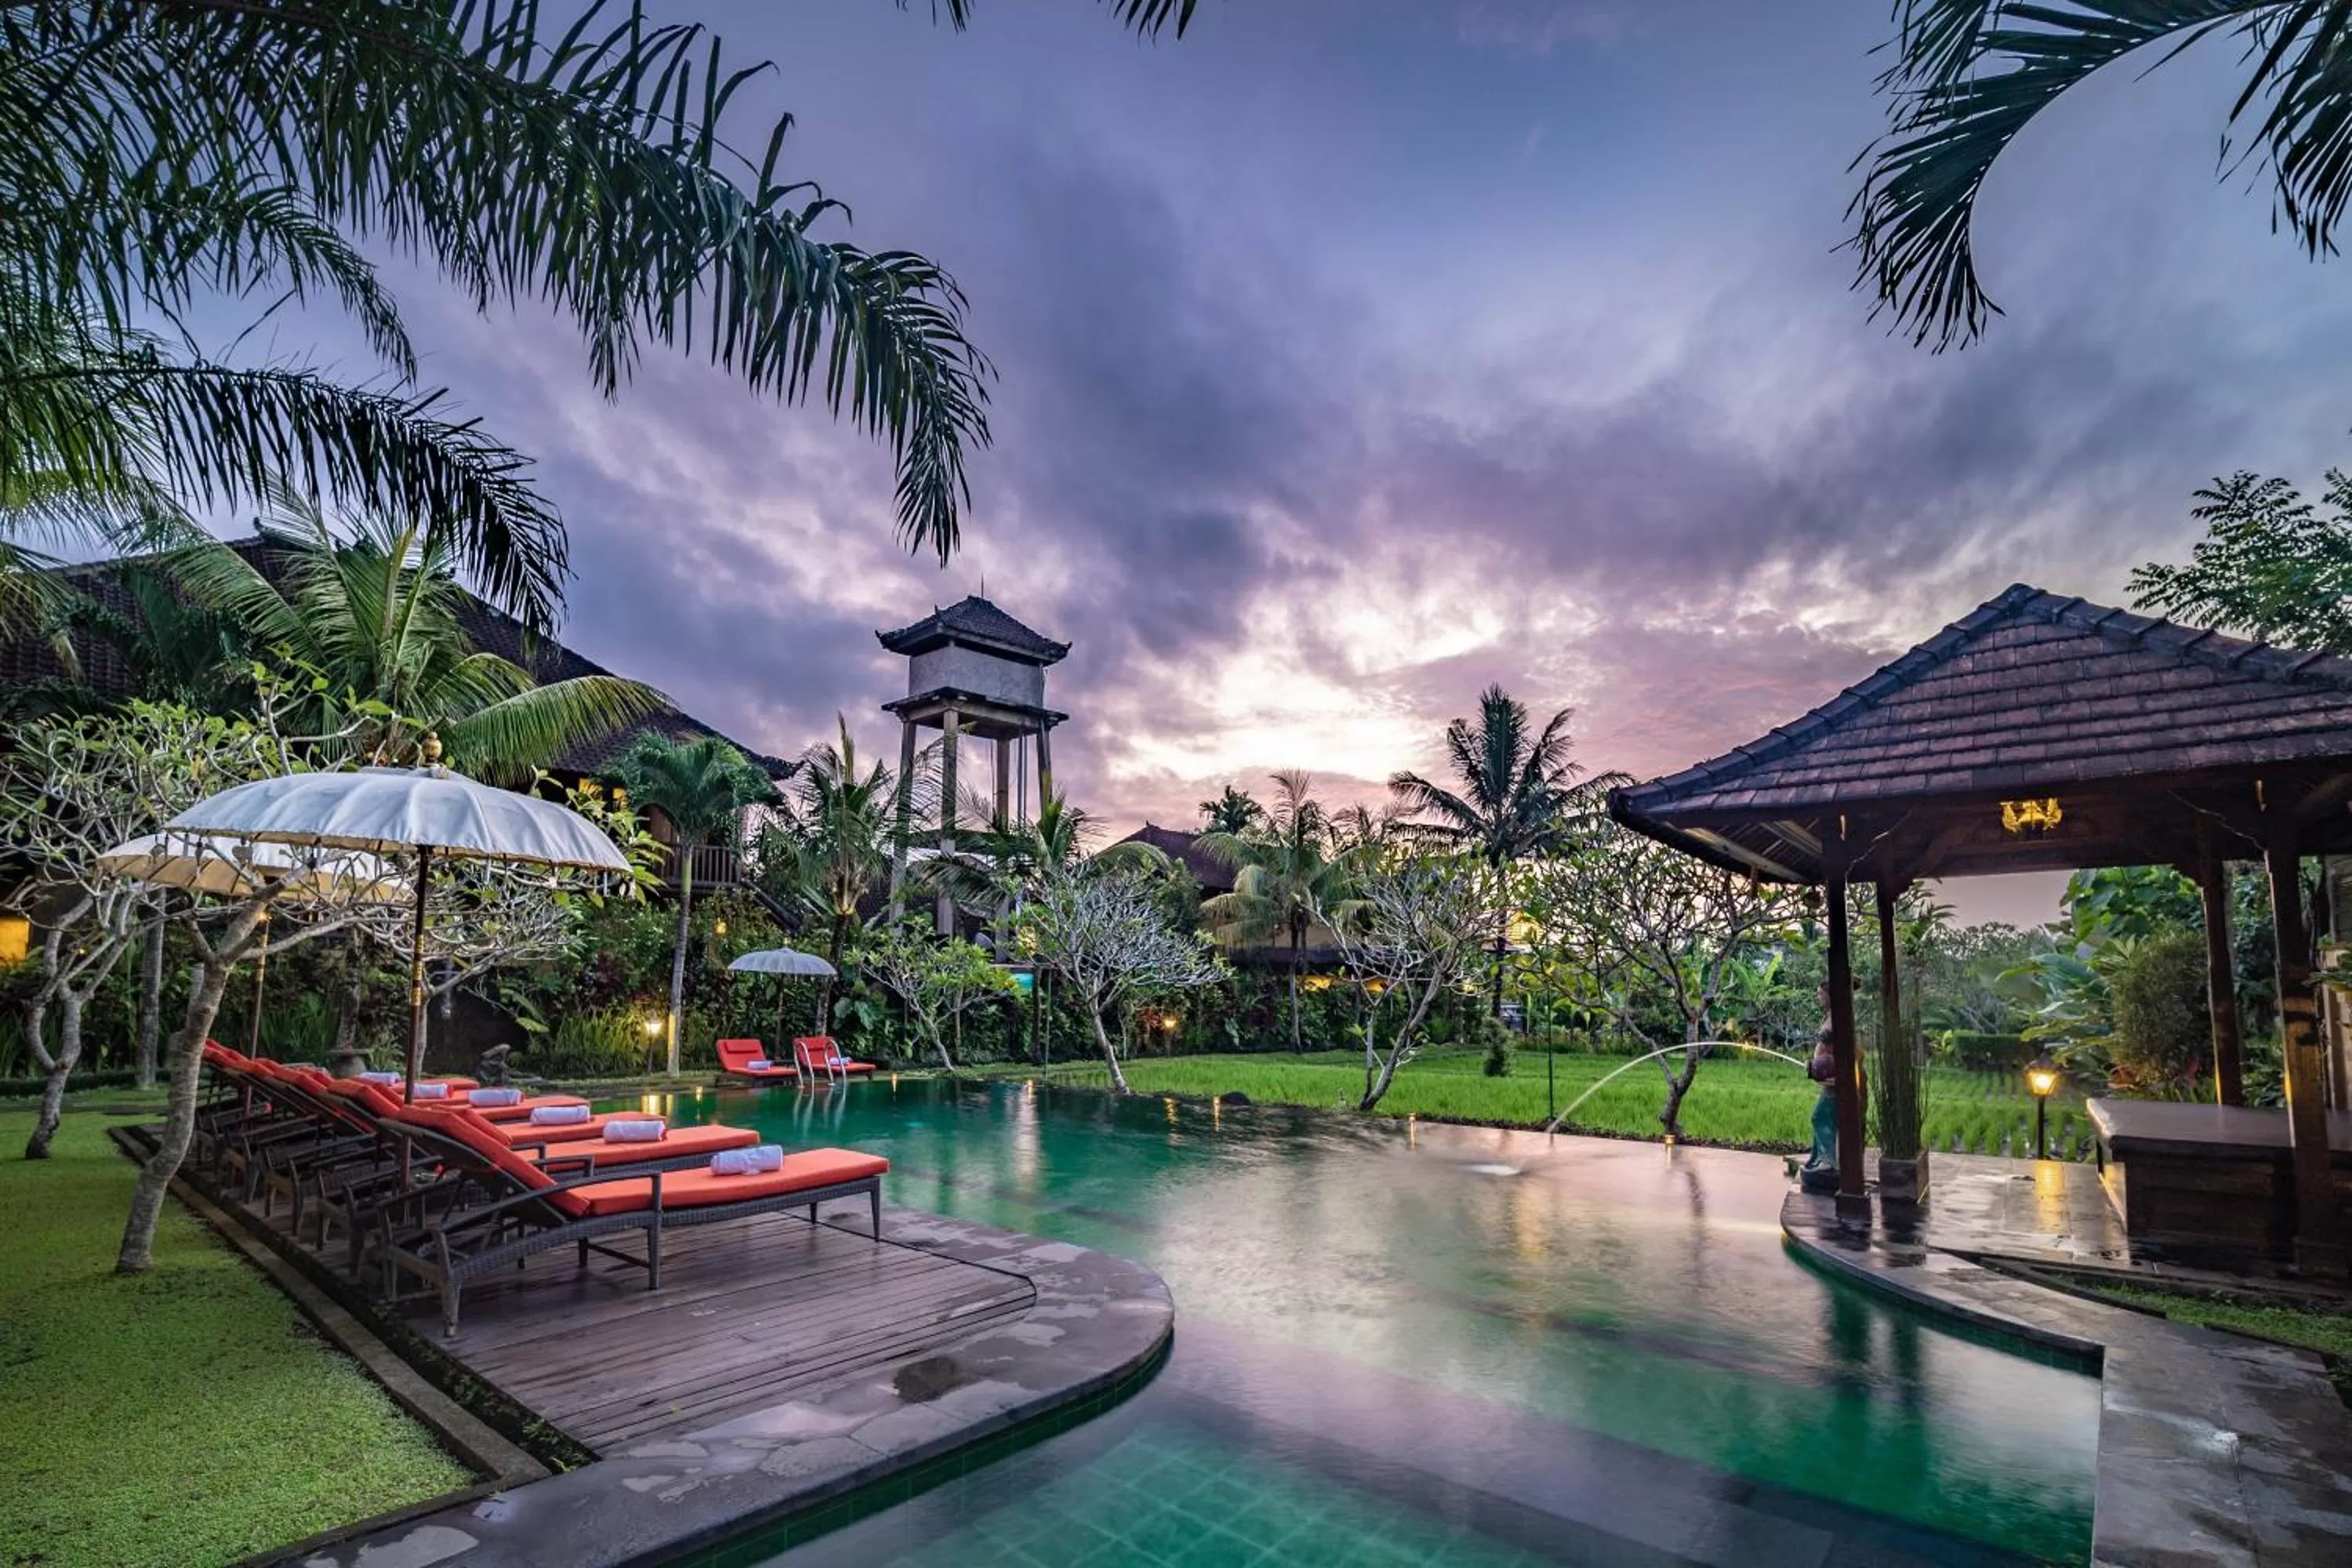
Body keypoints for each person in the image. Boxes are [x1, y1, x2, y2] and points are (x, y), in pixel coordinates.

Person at [1800, 983, 1840, 1193]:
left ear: (1829, 994)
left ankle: (1828, 1162)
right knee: (1823, 1118)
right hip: (1827, 1077)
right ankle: (1819, 1159)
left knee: (1820, 1117)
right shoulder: (1831, 1016)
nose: (1818, 997)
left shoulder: (1839, 1018)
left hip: (1834, 1079)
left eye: (1820, 993)